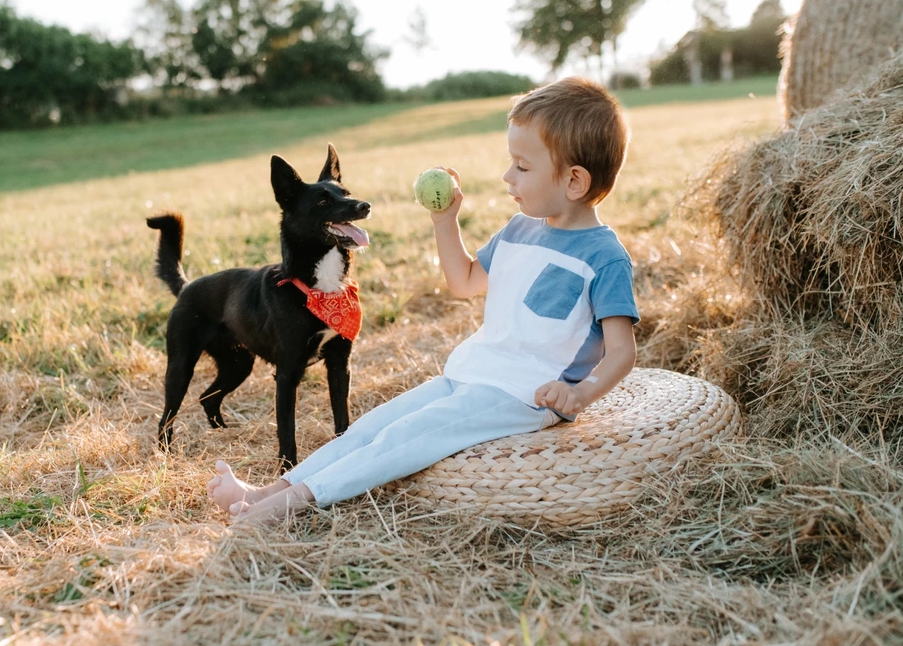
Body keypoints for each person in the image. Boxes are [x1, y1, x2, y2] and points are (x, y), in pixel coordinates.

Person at [208, 77, 640, 523]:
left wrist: (581, 393)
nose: (507, 176)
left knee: (408, 437)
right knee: (373, 427)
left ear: (573, 181)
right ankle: (266, 491)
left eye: (522, 167)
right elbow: (465, 281)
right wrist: (444, 221)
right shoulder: (519, 229)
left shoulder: (604, 259)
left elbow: (622, 351)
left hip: (522, 394)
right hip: (473, 372)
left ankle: (283, 507)